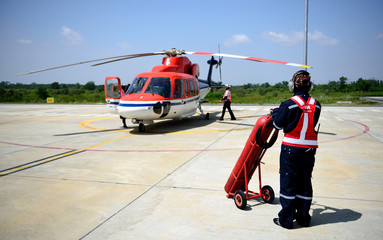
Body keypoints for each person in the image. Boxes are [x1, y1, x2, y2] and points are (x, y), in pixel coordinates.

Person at [271, 70, 321, 229]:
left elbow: (278, 125)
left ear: (293, 85)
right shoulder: (316, 104)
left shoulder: (288, 104)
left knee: (288, 183)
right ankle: (303, 218)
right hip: (309, 150)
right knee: (305, 183)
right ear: (310, 86)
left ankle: (286, 220)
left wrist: (276, 114)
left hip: (291, 149)